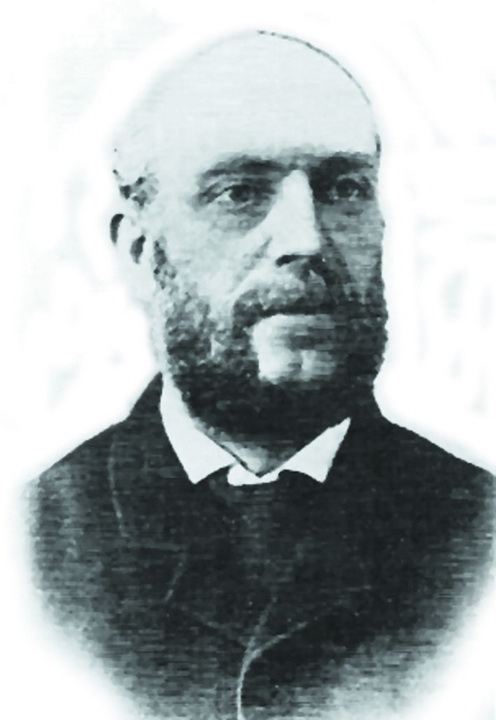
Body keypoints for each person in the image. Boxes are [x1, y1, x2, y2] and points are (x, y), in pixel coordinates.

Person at [30, 31, 494, 719]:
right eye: (239, 193)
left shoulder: (479, 531)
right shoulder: (33, 544)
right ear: (139, 252)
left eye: (344, 189)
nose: (307, 239)